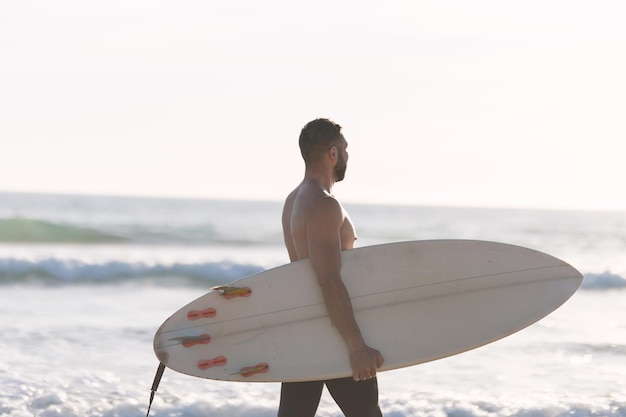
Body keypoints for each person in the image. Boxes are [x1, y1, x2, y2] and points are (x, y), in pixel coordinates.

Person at [279, 118, 385, 417]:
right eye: (345, 149)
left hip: (305, 332)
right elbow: (327, 279)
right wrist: (356, 346)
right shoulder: (324, 204)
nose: (348, 156)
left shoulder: (293, 200)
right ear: (333, 153)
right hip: (333, 333)